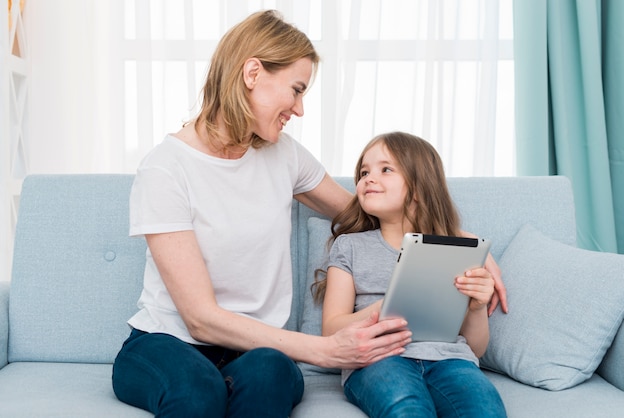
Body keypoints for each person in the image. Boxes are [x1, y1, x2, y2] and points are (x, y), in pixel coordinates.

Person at [111, 10, 414, 418]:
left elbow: (363, 212)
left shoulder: (283, 154)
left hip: (254, 350)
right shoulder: (165, 168)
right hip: (166, 342)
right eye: (296, 89)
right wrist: (324, 350)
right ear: (253, 73)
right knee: (198, 392)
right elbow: (200, 319)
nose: (300, 109)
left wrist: (457, 242)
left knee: (271, 371)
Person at [315, 132, 507, 418]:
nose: (368, 178)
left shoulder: (454, 251)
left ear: (419, 188)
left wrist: (477, 308)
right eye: (364, 171)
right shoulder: (350, 246)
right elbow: (331, 329)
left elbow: (476, 349)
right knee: (408, 410)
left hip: (451, 360)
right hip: (378, 358)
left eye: (386, 169)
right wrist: (381, 310)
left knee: (485, 411)